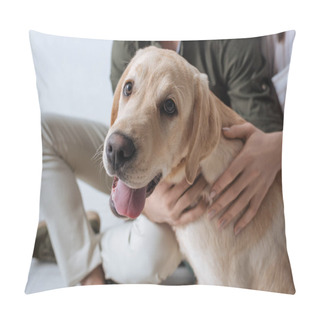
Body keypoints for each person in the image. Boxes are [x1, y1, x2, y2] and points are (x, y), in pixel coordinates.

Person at [32, 34, 291, 287]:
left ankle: (70, 243)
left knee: (154, 255)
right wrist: (149, 206)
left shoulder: (230, 34)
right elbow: (126, 120)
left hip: (190, 174)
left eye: (169, 106)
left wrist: (280, 145)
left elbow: (262, 136)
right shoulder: (129, 38)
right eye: (129, 87)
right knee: (39, 134)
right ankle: (85, 269)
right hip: (132, 149)